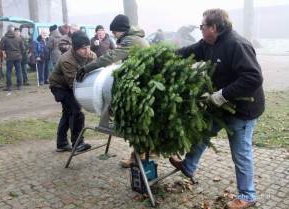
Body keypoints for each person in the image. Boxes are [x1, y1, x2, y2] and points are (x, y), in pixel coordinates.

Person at [168, 9, 265, 209]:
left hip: (243, 109)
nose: (200, 29)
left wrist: (222, 95)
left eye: (202, 25)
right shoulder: (208, 44)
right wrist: (164, 55)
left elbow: (253, 77)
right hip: (220, 106)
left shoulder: (237, 45)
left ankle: (247, 195)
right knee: (202, 133)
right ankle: (188, 166)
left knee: (241, 152)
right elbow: (187, 52)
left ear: (214, 27)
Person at [76, 14, 150, 168]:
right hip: (145, 84)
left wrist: (86, 68)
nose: (114, 35)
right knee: (142, 123)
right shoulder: (137, 38)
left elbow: (110, 57)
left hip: (140, 88)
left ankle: (138, 156)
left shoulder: (130, 41)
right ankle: (146, 150)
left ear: (121, 30)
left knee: (134, 122)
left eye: (115, 32)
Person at [49, 30, 97, 153]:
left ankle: (62, 144)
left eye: (88, 47)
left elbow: (96, 70)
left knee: (67, 113)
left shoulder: (90, 55)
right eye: (83, 48)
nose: (87, 51)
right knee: (77, 111)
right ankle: (78, 143)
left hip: (70, 85)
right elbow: (73, 84)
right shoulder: (67, 60)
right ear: (75, 49)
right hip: (59, 86)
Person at [0, 24, 25, 91]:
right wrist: (20, 54)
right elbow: (23, 48)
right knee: (18, 71)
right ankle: (19, 85)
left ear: (7, 30)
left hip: (9, 57)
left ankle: (9, 86)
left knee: (9, 71)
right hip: (18, 57)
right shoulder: (19, 38)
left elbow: (1, 47)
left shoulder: (4, 38)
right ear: (13, 30)